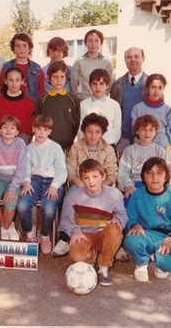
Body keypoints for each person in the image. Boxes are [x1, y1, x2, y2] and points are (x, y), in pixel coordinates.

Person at [53, 113, 118, 257]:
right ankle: (64, 237)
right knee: (70, 197)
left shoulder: (108, 149)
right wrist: (79, 183)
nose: (93, 135)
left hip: (102, 185)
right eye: (89, 132)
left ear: (102, 133)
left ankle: (115, 242)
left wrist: (102, 185)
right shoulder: (76, 147)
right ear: (84, 131)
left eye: (97, 132)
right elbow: (70, 168)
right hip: (80, 183)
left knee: (114, 199)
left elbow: (112, 171)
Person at [60, 159, 127, 286]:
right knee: (76, 255)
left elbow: (122, 214)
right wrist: (75, 231)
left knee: (115, 229)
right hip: (85, 234)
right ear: (81, 179)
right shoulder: (74, 196)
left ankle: (104, 265)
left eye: (95, 176)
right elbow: (66, 220)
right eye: (86, 178)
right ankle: (89, 262)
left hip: (104, 234)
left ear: (103, 176)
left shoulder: (114, 194)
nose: (91, 181)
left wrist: (117, 220)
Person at [123, 157, 171, 282]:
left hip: (164, 237)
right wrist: (135, 225)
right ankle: (141, 263)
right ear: (143, 177)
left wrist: (170, 239)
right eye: (149, 173)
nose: (154, 177)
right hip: (144, 234)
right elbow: (130, 217)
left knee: (170, 264)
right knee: (131, 241)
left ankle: (160, 262)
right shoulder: (137, 195)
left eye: (159, 173)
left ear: (166, 176)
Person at [17, 115, 67, 254]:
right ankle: (29, 231)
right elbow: (25, 168)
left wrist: (54, 186)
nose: (41, 132)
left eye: (45, 129)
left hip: (52, 181)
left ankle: (45, 235)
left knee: (49, 207)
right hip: (35, 180)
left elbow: (62, 171)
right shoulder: (29, 148)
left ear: (49, 132)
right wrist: (26, 182)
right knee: (22, 205)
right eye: (38, 129)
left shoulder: (56, 147)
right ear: (33, 129)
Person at [0, 115, 27, 241]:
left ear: (17, 132)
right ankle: (7, 225)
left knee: (10, 202)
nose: (8, 130)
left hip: (15, 180)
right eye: (5, 127)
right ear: (0, 130)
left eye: (12, 127)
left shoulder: (20, 143)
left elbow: (22, 169)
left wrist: (13, 189)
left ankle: (5, 227)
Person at [131, 73, 171, 188]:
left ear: (163, 89)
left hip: (162, 147)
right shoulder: (138, 108)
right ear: (147, 88)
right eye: (153, 87)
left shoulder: (167, 110)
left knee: (163, 177)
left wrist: (167, 146)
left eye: (160, 87)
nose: (156, 91)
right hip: (142, 147)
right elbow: (134, 128)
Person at [118, 115, 171, 204]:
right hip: (135, 185)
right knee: (130, 204)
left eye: (151, 130)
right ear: (137, 131)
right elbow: (122, 173)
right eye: (144, 129)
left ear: (155, 132)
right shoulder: (129, 150)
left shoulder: (159, 151)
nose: (147, 133)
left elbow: (169, 172)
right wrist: (129, 185)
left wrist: (167, 189)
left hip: (156, 183)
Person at [110, 47, 148, 155]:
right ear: (125, 60)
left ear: (143, 58)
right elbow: (112, 112)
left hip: (144, 137)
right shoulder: (117, 85)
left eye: (136, 56)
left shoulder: (151, 84)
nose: (133, 60)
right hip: (122, 138)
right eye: (129, 57)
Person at [37, 60, 80, 150]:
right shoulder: (42, 99)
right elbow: (38, 123)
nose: (59, 80)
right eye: (55, 77)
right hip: (47, 146)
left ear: (66, 78)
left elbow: (77, 122)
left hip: (68, 146)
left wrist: (71, 139)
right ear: (49, 78)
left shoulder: (73, 99)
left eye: (62, 77)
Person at [78, 69, 121, 148]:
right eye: (94, 84)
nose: (98, 87)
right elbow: (80, 128)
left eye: (101, 84)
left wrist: (109, 144)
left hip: (108, 146)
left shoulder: (114, 105)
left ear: (107, 85)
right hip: (88, 146)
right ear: (90, 85)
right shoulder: (83, 104)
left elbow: (117, 129)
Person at [0, 67, 35, 143]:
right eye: (11, 80)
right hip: (1, 141)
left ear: (22, 81)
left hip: (21, 141)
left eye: (17, 80)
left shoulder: (30, 103)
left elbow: (30, 130)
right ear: (5, 81)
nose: (14, 84)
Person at [0, 33, 44, 104]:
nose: (21, 48)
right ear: (13, 48)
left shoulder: (37, 69)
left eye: (24, 45)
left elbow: (41, 92)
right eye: (17, 45)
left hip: (32, 109)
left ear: (29, 48)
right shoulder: (6, 67)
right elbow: (1, 89)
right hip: (11, 106)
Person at [71, 29, 113, 101]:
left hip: (101, 101)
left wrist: (101, 97)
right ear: (85, 43)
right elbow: (74, 83)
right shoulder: (79, 61)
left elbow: (110, 83)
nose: (93, 43)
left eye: (96, 41)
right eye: (90, 41)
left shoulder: (107, 62)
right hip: (83, 100)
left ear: (101, 43)